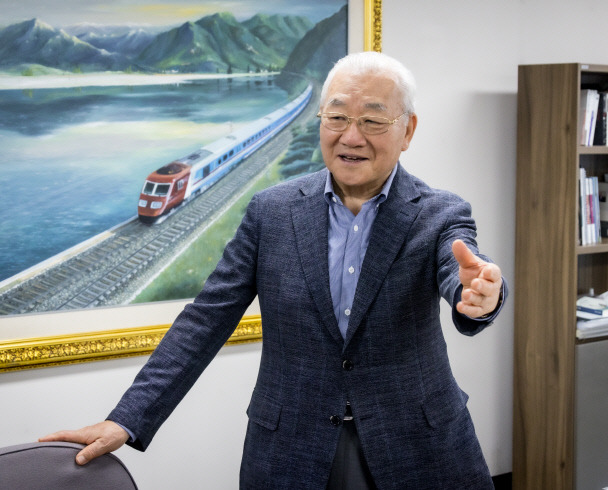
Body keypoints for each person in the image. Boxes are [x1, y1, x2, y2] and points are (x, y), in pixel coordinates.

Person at [41, 51, 507, 489]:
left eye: (372, 119)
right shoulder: (272, 211)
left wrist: (480, 297)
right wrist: (126, 418)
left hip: (417, 445)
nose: (351, 135)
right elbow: (206, 318)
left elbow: (462, 273)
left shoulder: (440, 213)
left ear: (408, 131)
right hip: (290, 448)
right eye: (338, 116)